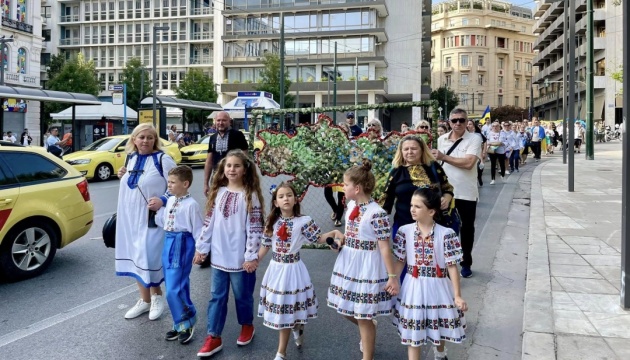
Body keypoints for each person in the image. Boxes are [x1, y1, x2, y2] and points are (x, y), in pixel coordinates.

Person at [257, 182, 343, 360]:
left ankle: (281, 352)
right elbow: (265, 244)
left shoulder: (304, 221)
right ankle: (295, 329)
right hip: (276, 270)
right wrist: (254, 261)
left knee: (287, 308)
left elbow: (318, 238)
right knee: (283, 308)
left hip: (293, 270)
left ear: (295, 199)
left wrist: (334, 232)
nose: (285, 199)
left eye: (289, 195)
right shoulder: (271, 221)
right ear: (275, 202)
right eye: (281, 196)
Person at [194, 149, 265, 358]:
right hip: (218, 257)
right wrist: (202, 249)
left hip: (241, 259)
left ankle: (247, 325)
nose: (232, 169)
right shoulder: (219, 192)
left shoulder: (250, 196)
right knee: (217, 297)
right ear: (223, 169)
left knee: (242, 296)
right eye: (228, 166)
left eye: (237, 166)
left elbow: (255, 229)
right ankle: (213, 336)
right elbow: (208, 223)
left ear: (245, 170)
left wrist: (251, 256)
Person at [327, 160, 400, 360]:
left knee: (363, 315)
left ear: (357, 188)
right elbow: (348, 233)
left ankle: (367, 356)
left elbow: (385, 247)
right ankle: (368, 326)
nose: (343, 187)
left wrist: (392, 276)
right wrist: (340, 241)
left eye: (346, 184)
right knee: (345, 308)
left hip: (367, 265)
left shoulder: (377, 214)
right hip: (349, 261)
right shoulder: (351, 205)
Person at [392, 188, 468, 360]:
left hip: (438, 285)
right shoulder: (404, 231)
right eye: (412, 205)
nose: (412, 209)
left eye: (417, 206)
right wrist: (393, 279)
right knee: (413, 333)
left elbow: (452, 267)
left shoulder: (446, 234)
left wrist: (457, 296)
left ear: (432, 211)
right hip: (413, 285)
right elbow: (400, 261)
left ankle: (440, 353)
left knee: (438, 324)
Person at [115, 124, 177, 321]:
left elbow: (178, 184)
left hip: (151, 219)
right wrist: (122, 176)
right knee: (135, 257)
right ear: (134, 139)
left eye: (150, 137)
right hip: (130, 219)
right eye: (142, 137)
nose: (146, 141)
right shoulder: (130, 158)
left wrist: (163, 200)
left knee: (149, 257)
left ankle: (157, 296)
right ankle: (145, 300)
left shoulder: (162, 159)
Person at [153, 166, 203, 345]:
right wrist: (156, 210)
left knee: (175, 287)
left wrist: (200, 250)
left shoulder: (192, 205)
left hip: (182, 245)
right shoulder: (171, 201)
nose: (169, 186)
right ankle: (178, 321)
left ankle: (187, 321)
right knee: (172, 285)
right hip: (168, 242)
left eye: (173, 182)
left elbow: (198, 229)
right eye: (169, 182)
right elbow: (162, 222)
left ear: (185, 183)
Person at [432, 108, 482, 279]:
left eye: (462, 120)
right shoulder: (441, 139)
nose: (458, 123)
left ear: (467, 121)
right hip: (445, 192)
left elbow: (469, 163)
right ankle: (444, 263)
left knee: (467, 229)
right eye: (454, 120)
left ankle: (466, 262)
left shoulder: (474, 138)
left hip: (466, 193)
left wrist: (443, 157)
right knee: (443, 229)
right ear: (449, 122)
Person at [382, 134, 454, 241]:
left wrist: (447, 199)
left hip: (435, 225)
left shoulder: (433, 167)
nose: (410, 152)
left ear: (422, 150)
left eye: (414, 148)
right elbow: (386, 201)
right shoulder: (396, 172)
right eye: (406, 149)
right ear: (401, 151)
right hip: (404, 226)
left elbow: (447, 188)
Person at [203, 111, 248, 197]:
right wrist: (206, 184)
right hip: (217, 179)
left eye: (224, 120)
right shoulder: (212, 138)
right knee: (215, 204)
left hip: (234, 178)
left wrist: (245, 179)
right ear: (215, 121)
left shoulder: (238, 135)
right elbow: (209, 162)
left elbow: (245, 158)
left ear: (229, 121)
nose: (220, 123)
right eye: (218, 120)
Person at [467, 120, 487, 187]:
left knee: (479, 168)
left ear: (473, 125)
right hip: (468, 154)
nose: (468, 125)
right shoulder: (464, 134)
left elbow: (484, 142)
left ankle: (479, 177)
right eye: (467, 124)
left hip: (477, 154)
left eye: (470, 124)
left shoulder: (478, 135)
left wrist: (484, 152)